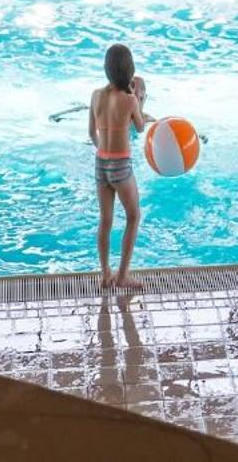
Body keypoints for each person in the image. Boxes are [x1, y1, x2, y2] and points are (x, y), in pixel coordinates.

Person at [88, 43, 148, 293]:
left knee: (105, 220)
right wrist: (138, 99)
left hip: (101, 163)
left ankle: (105, 274)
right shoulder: (129, 99)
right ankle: (122, 275)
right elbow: (141, 126)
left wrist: (104, 151)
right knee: (133, 217)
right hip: (121, 165)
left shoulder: (95, 95)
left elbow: (92, 133)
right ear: (129, 71)